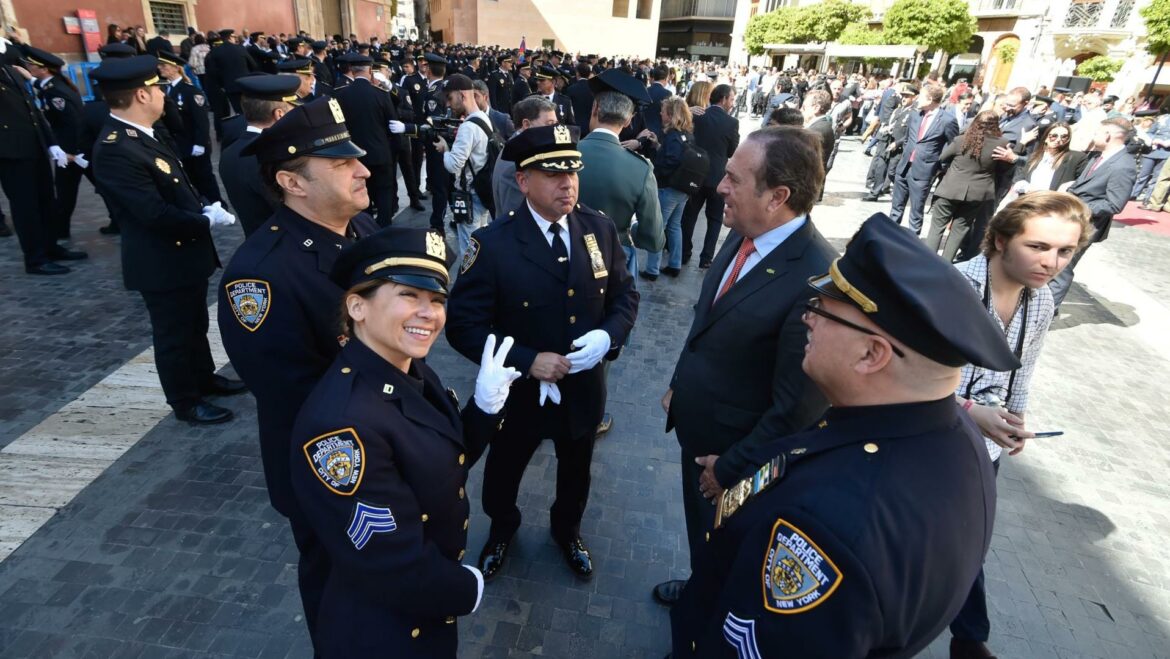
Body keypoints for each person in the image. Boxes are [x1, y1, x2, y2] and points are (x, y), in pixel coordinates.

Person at [670, 212, 1022, 657]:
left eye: (821, 307)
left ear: (871, 354)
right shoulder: (959, 438)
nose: (808, 318)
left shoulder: (825, 528)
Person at [290, 227, 519, 658]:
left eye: (436, 300)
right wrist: (467, 587)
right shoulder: (343, 428)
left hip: (419, 606)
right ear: (357, 306)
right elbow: (387, 561)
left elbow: (440, 462)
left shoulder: (405, 369)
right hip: (386, 628)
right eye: (409, 296)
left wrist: (485, 408)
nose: (428, 313)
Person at [218, 96, 380, 651]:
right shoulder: (259, 278)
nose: (363, 170)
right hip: (332, 468)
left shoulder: (359, 228)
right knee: (338, 591)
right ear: (292, 182)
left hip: (383, 446)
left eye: (356, 158)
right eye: (340, 165)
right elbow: (295, 396)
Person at [445, 125, 639, 582]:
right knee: (503, 473)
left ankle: (567, 531)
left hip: (582, 387)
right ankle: (502, 530)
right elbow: (463, 326)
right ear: (523, 181)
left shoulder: (599, 228)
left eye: (572, 172)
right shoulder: (493, 244)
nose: (567, 183)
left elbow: (625, 297)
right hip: (518, 394)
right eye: (552, 174)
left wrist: (609, 337)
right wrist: (527, 360)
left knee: (577, 472)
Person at [653, 126, 836, 607]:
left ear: (778, 196)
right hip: (702, 435)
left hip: (735, 462)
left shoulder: (815, 278)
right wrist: (679, 382)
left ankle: (707, 627)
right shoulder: (747, 232)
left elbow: (798, 405)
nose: (720, 187)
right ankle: (701, 589)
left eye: (734, 179)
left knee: (734, 556)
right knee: (706, 544)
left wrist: (731, 467)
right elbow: (706, 321)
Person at [947, 191, 1092, 659]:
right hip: (928, 439)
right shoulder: (954, 287)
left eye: (1065, 251)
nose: (1051, 262)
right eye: (1038, 246)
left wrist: (1016, 418)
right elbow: (903, 375)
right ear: (1000, 239)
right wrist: (971, 412)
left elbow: (1022, 369)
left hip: (984, 447)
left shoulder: (1042, 300)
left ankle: (969, 640)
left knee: (971, 539)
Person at [91, 55, 245, 425]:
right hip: (160, 259)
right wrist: (204, 219)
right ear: (142, 95)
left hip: (183, 256)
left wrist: (202, 207)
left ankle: (203, 378)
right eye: (158, 88)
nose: (164, 95)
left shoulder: (143, 136)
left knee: (194, 324)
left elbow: (178, 187)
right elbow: (153, 213)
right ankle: (185, 400)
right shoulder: (116, 148)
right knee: (173, 334)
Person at [577, 69, 662, 282]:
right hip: (614, 254)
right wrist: (631, 232)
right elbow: (653, 238)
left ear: (595, 108)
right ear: (628, 121)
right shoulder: (640, 168)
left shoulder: (567, 153)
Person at [0, 41, 73, 274]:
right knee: (26, 207)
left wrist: (52, 143)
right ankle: (35, 258)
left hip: (35, 147)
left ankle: (51, 247)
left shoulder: (11, 72)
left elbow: (33, 110)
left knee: (46, 201)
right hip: (11, 152)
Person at [1049, 118, 1137, 309]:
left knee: (1061, 269)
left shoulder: (1123, 166)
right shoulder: (1098, 156)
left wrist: (1076, 205)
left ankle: (1046, 313)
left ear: (1108, 135)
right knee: (1052, 263)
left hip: (1086, 224)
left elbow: (1114, 204)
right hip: (1069, 219)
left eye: (1097, 132)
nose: (1093, 136)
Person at [22, 46, 89, 259]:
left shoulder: (56, 91)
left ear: (45, 69)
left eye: (32, 66)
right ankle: (61, 228)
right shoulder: (52, 86)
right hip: (74, 148)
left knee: (66, 191)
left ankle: (61, 229)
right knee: (84, 189)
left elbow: (72, 123)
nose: (29, 68)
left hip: (72, 150)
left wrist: (71, 152)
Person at [924, 111, 1012, 261]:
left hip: (950, 189)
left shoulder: (961, 140)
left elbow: (942, 157)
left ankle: (927, 261)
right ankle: (945, 263)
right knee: (960, 229)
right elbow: (1003, 168)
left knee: (937, 227)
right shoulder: (1002, 143)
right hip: (977, 193)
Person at [217, 75, 300, 236]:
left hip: (257, 241)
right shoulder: (275, 156)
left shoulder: (229, 153)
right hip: (290, 245)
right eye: (293, 109)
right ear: (279, 114)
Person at [335, 52, 407, 226]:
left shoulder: (341, 95)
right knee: (384, 194)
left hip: (355, 156)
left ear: (352, 71)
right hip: (381, 153)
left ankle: (365, 229)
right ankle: (384, 228)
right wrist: (396, 148)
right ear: (370, 71)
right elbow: (392, 125)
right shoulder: (380, 94)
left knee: (360, 194)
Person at [433, 73, 491, 261]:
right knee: (480, 245)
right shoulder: (482, 117)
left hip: (470, 196)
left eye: (450, 98)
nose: (448, 104)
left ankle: (471, 286)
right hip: (481, 194)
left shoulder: (468, 126)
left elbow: (453, 165)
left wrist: (445, 149)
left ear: (462, 95)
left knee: (470, 250)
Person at [681, 83, 739, 269]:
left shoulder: (698, 117)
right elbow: (731, 151)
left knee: (689, 216)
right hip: (717, 178)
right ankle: (706, 258)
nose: (732, 103)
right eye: (731, 99)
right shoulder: (731, 122)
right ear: (723, 100)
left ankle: (684, 252)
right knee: (714, 219)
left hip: (695, 174)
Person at [889, 83, 959, 235]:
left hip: (923, 171)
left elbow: (954, 144)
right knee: (896, 207)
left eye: (921, 96)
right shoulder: (915, 114)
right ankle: (889, 237)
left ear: (931, 99)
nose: (917, 99)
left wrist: (940, 165)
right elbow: (908, 137)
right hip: (905, 166)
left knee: (916, 212)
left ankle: (912, 244)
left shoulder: (947, 120)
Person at [156, 52, 224, 205]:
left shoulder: (190, 91)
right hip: (179, 144)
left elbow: (201, 121)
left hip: (194, 143)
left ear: (176, 68)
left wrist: (200, 143)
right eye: (159, 65)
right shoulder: (165, 90)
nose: (160, 68)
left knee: (204, 177)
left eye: (164, 66)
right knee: (189, 177)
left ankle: (217, 204)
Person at [641, 97, 694, 281]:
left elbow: (671, 160)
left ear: (671, 115)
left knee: (658, 227)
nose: (660, 113)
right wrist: (658, 145)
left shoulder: (672, 136)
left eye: (663, 111)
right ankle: (675, 264)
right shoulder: (686, 134)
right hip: (683, 189)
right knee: (674, 226)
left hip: (668, 188)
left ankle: (652, 269)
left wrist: (656, 170)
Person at [492, 96, 559, 219]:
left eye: (555, 124)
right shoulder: (515, 161)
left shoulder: (519, 151)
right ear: (527, 124)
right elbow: (516, 217)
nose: (554, 130)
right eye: (549, 124)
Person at [863, 83, 917, 202]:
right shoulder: (897, 110)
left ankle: (901, 191)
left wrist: (897, 143)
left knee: (893, 172)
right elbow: (889, 123)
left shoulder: (914, 113)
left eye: (907, 96)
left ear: (914, 98)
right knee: (880, 168)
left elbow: (910, 134)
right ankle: (874, 193)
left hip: (898, 147)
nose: (904, 98)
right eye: (903, 95)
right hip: (887, 143)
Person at [1132, 107, 1170, 204]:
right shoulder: (1162, 119)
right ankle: (1133, 193)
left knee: (1156, 178)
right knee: (1143, 174)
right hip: (1153, 150)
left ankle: (1148, 198)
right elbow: (1150, 132)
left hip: (1166, 152)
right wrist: (1154, 140)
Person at [801, 89, 835, 175]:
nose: (801, 110)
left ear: (816, 108)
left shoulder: (815, 131)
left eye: (804, 107)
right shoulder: (822, 125)